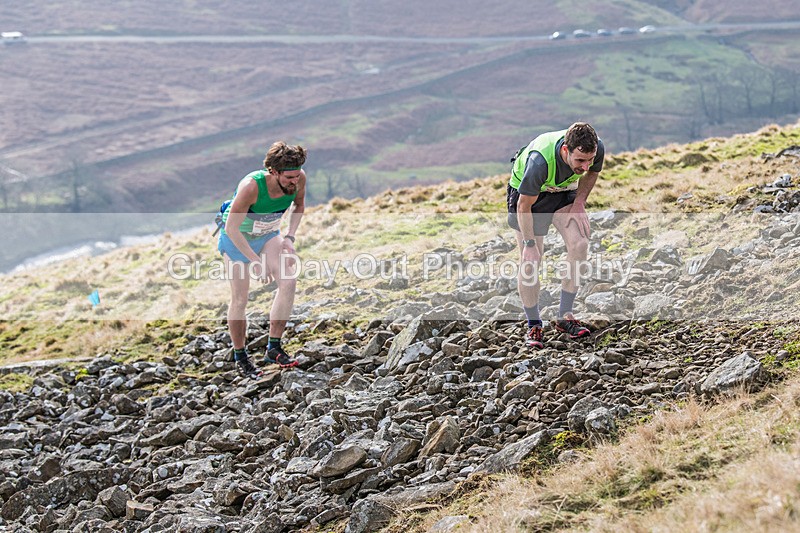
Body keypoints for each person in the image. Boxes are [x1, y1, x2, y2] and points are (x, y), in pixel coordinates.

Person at [506, 122, 604, 349]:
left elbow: (592, 174)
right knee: (531, 260)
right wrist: (530, 244)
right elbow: (523, 206)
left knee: (580, 244)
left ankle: (564, 316)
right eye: (580, 161)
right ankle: (533, 324)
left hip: (562, 192)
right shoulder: (539, 163)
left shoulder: (595, 148)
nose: (585, 166)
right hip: (529, 199)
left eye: (590, 159)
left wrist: (579, 202)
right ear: (565, 151)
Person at [217, 141, 307, 376]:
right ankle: (241, 356)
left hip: (268, 234)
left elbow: (299, 205)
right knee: (240, 299)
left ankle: (273, 348)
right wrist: (255, 261)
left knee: (289, 280)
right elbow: (232, 228)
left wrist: (289, 237)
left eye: (297, 176)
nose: (294, 182)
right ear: (274, 172)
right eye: (289, 178)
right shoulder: (251, 187)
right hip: (237, 239)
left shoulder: (299, 178)